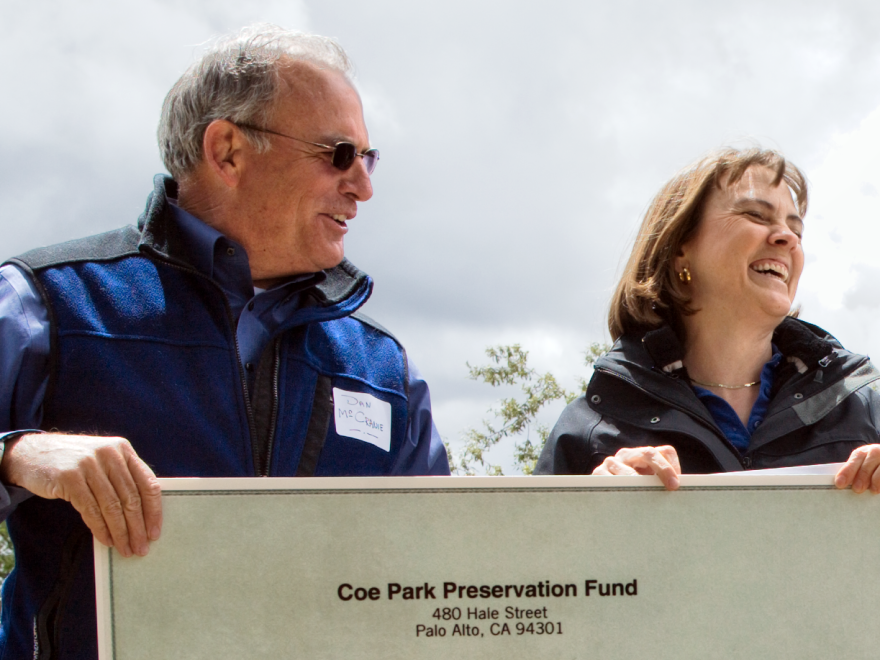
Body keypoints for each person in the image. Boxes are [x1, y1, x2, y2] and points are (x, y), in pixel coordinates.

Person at [0, 25, 449, 658]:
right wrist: (17, 455)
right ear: (228, 150)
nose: (363, 186)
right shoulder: (45, 303)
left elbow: (450, 566)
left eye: (369, 160)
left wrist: (601, 501)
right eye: (339, 153)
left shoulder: (381, 367)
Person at [536, 147, 880, 491]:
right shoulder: (593, 429)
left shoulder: (866, 409)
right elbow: (531, 542)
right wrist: (586, 511)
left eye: (796, 230)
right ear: (679, 249)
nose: (787, 238)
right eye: (757, 216)